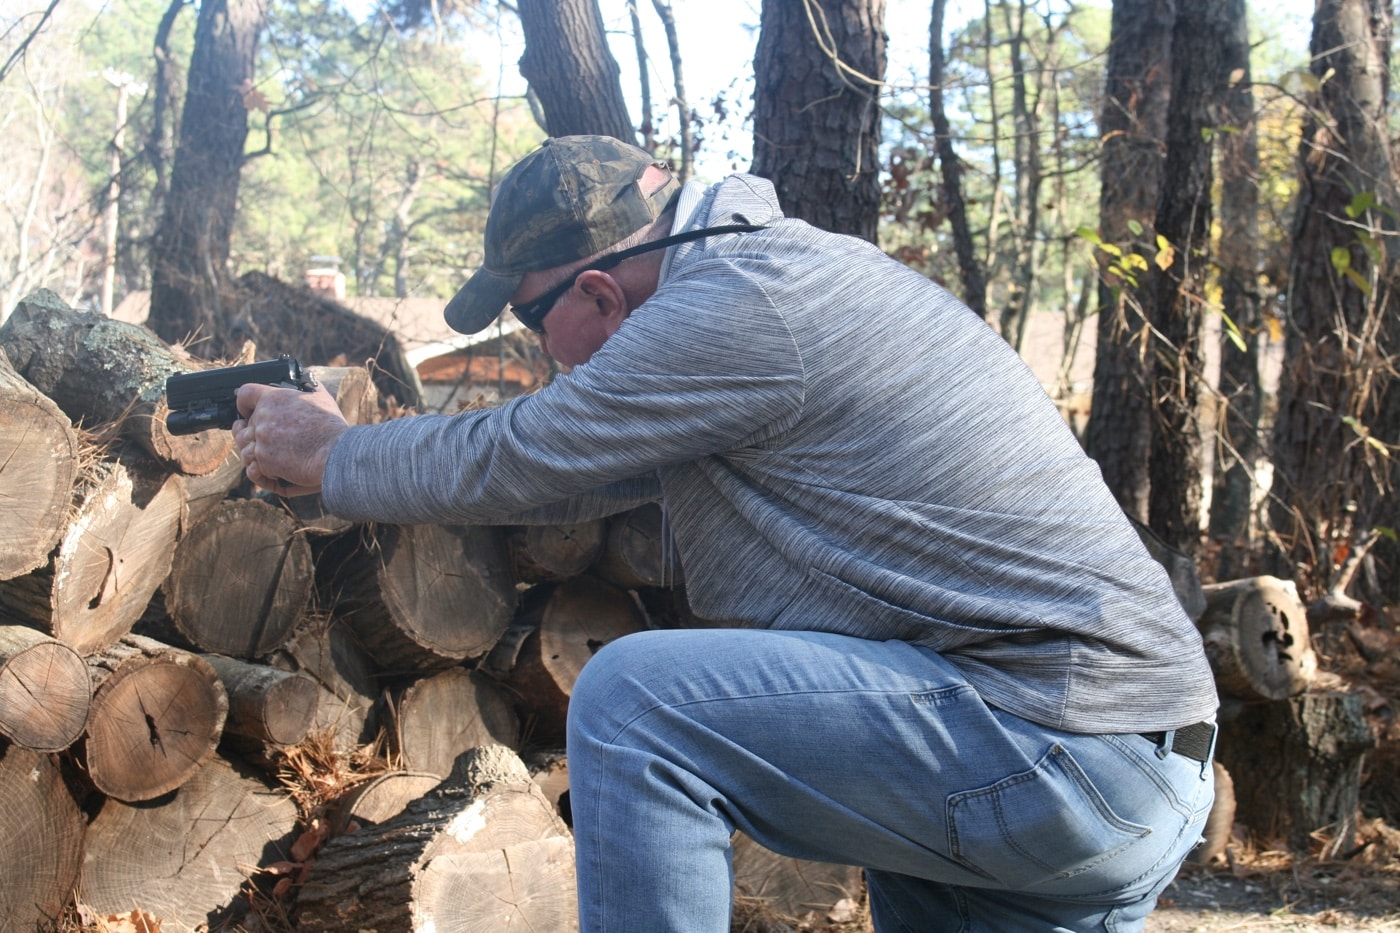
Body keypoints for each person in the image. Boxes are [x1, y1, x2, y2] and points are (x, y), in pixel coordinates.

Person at [234, 135, 1218, 932]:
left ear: (597, 292)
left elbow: (527, 452)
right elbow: (572, 479)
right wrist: (352, 433)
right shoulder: (765, 288)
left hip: (1053, 745)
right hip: (1109, 767)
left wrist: (335, 459)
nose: (540, 350)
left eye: (535, 319)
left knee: (633, 703)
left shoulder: (741, 300)